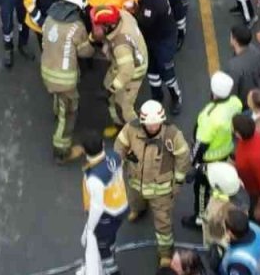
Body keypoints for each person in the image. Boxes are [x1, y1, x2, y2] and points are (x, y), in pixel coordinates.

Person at [114, 100, 189, 266]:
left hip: (161, 190)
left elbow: (183, 157)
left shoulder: (172, 135)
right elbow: (119, 146)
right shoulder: (131, 129)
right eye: (150, 124)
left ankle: (165, 253)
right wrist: (119, 162)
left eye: (157, 124)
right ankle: (138, 210)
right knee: (135, 201)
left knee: (163, 223)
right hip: (135, 182)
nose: (154, 127)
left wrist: (178, 181)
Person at [41, 0, 94, 162]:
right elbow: (85, 52)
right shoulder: (76, 27)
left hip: (47, 71)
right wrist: (93, 41)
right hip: (65, 80)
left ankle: (57, 111)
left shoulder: (49, 19)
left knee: (59, 97)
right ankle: (61, 151)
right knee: (70, 112)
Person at [185, 73, 243, 227]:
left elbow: (200, 144)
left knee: (202, 189)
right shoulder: (236, 102)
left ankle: (200, 219)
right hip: (227, 153)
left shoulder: (209, 116)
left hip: (208, 159)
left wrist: (193, 162)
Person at [92, 5, 148, 135]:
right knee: (109, 92)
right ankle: (118, 124)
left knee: (126, 108)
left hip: (133, 74)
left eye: (97, 25)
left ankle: (139, 134)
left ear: (108, 27)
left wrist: (110, 90)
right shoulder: (123, 15)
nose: (94, 28)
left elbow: (126, 72)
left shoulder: (120, 46)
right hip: (126, 61)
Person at [132, 0, 182, 112]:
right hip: (152, 37)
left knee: (166, 70)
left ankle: (176, 97)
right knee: (152, 70)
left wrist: (133, 10)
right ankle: (157, 95)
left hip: (163, 39)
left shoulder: (155, 4)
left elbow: (142, 21)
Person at [78, 131, 128, 275]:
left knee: (101, 244)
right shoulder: (114, 156)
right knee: (110, 237)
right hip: (122, 207)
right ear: (103, 145)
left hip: (107, 214)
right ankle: (111, 249)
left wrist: (89, 228)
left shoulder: (94, 178)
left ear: (84, 150)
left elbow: (97, 207)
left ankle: (110, 268)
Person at [232, 113, 260, 226]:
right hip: (247, 186)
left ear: (238, 134)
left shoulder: (255, 157)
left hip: (253, 193)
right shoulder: (254, 137)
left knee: (253, 219)